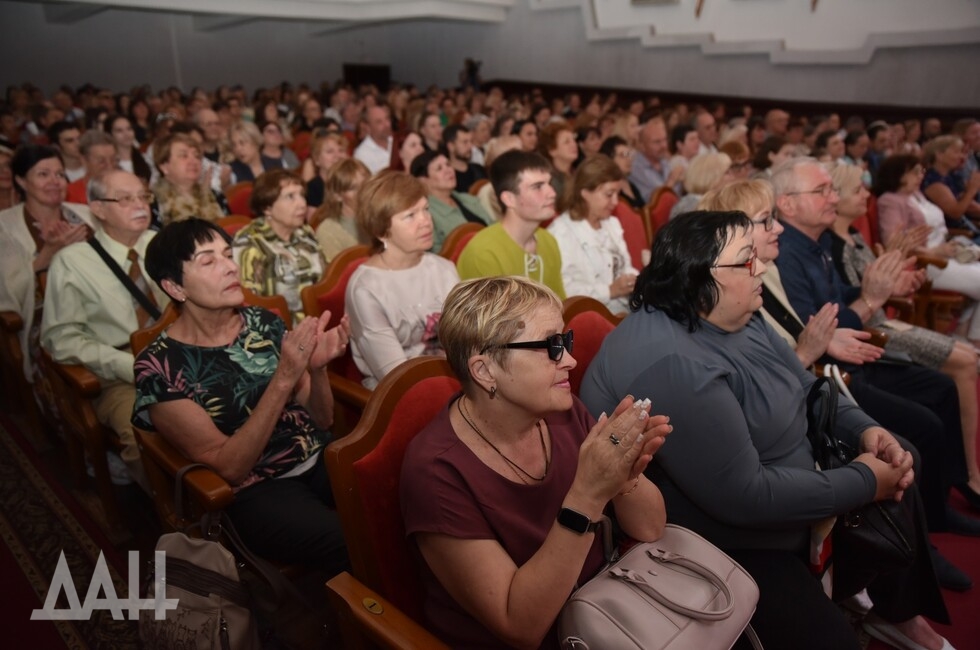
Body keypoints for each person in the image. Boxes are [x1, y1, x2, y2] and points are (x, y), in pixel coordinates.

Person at [581, 211, 951, 650]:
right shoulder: (674, 362)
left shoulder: (738, 312)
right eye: (746, 261)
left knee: (900, 450)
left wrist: (864, 430)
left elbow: (808, 387)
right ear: (700, 276)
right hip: (722, 539)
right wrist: (866, 481)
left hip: (786, 485)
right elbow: (746, 497)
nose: (763, 268)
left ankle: (890, 608)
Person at [401, 276, 669, 649]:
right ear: (484, 371)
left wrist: (623, 477)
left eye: (566, 342)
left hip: (604, 610)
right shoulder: (435, 472)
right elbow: (521, 626)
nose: (571, 360)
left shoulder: (563, 411)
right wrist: (588, 495)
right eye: (551, 347)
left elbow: (652, 528)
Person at [772, 158, 980, 544]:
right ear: (787, 203)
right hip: (834, 371)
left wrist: (879, 289)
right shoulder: (786, 252)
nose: (833, 197)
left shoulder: (813, 243)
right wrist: (869, 300)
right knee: (923, 428)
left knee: (941, 388)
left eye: (834, 189)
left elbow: (837, 299)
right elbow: (815, 329)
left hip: (854, 353)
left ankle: (943, 504)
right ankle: (924, 531)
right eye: (823, 191)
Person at [133, 217, 350, 574]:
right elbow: (230, 468)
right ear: (174, 287)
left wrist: (317, 368)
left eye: (228, 254)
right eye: (209, 261)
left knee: (397, 495)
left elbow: (323, 420)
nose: (231, 266)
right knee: (348, 537)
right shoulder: (158, 368)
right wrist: (283, 378)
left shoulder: (263, 322)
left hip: (316, 456)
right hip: (258, 490)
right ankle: (375, 623)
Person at [830, 162, 980, 512]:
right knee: (963, 363)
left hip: (877, 323)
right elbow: (862, 296)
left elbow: (874, 285)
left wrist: (896, 266)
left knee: (967, 358)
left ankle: (965, 474)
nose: (866, 195)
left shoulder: (850, 236)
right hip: (875, 332)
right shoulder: (834, 246)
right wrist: (892, 269)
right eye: (857, 190)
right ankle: (969, 475)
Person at [42, 170, 169, 489]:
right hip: (120, 373)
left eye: (144, 197)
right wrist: (130, 366)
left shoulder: (160, 244)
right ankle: (178, 516)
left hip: (180, 354)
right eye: (126, 199)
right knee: (146, 434)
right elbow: (62, 338)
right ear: (98, 208)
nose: (141, 206)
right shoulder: (73, 261)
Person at [346, 170, 459, 389]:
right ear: (381, 231)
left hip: (454, 378)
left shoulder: (443, 268)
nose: (425, 221)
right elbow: (396, 375)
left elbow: (467, 340)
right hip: (399, 396)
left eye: (425, 209)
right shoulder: (366, 289)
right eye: (410, 216)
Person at [0, 145, 93, 386]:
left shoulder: (85, 215)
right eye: (43, 174)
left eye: (60, 174)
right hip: (45, 327)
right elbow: (7, 295)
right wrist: (47, 255)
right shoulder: (5, 227)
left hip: (99, 310)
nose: (55, 181)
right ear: (21, 180)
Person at [457, 150, 566, 299]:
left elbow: (559, 305)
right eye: (538, 186)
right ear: (509, 199)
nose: (552, 193)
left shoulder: (548, 241)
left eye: (549, 183)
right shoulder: (483, 253)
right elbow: (491, 321)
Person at [547, 155, 638, 314]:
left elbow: (625, 266)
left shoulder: (611, 223)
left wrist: (635, 280)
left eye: (618, 194)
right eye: (609, 194)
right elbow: (564, 290)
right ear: (585, 192)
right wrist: (609, 290)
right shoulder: (561, 233)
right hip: (588, 316)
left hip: (623, 310)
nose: (615, 202)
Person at [232, 169, 324, 321]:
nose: (302, 204)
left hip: (318, 323)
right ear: (267, 207)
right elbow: (250, 305)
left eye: (302, 195)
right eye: (290, 197)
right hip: (277, 333)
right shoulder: (249, 242)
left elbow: (326, 283)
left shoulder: (305, 232)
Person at [410, 151, 491, 252]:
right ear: (422, 181)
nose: (448, 170)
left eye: (448, 164)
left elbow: (493, 226)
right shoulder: (426, 214)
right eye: (439, 168)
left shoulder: (468, 199)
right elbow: (435, 256)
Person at [152, 132, 229, 225]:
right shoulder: (154, 202)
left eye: (197, 156)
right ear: (164, 166)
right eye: (184, 156)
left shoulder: (215, 195)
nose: (194, 161)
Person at [313, 158, 371, 261]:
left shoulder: (381, 218)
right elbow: (337, 274)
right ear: (337, 196)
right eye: (353, 188)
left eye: (366, 184)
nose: (363, 191)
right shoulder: (328, 231)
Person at [921, 135, 980, 226]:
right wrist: (972, 189)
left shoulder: (951, 176)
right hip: (954, 234)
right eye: (956, 152)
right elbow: (955, 213)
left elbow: (968, 205)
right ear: (939, 155)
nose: (961, 156)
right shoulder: (934, 182)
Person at [669, 152, 734, 219]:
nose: (732, 177)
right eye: (727, 172)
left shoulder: (716, 200)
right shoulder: (692, 204)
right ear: (710, 177)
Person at [599, 135, 644, 212]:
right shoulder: (609, 191)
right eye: (622, 155)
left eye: (628, 154)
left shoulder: (631, 185)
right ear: (610, 160)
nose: (628, 159)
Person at [304, 131, 349, 206]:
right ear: (317, 160)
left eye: (341, 150)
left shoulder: (352, 184)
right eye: (330, 151)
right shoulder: (312, 189)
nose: (337, 156)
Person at [103, 114, 152, 184]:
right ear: (110, 135)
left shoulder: (145, 159)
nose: (126, 134)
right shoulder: (109, 163)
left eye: (129, 129)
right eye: (119, 131)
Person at [353, 105, 393, 175]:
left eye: (387, 119)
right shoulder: (362, 154)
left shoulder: (398, 142)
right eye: (379, 122)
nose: (386, 124)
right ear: (368, 127)